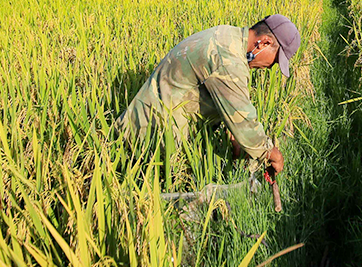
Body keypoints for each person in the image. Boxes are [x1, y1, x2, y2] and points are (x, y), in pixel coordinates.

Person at [118, 14, 300, 174]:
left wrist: (234, 135)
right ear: (265, 42)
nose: (270, 67)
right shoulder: (228, 61)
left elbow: (225, 99)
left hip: (145, 121)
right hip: (149, 140)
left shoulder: (227, 35)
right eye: (275, 60)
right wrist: (272, 154)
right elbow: (243, 120)